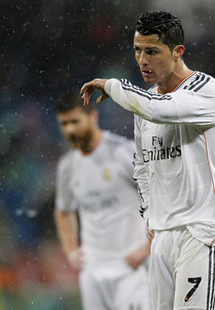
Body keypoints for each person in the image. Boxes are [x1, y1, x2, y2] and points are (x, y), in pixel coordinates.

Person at [80, 11, 215, 310]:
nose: (142, 60)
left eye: (152, 51)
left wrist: (112, 85)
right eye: (137, 50)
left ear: (178, 52)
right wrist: (151, 215)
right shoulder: (147, 102)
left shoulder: (206, 91)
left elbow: (156, 109)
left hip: (202, 234)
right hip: (163, 238)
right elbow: (142, 165)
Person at [54, 92, 151, 310]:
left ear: (93, 117)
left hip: (130, 268)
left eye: (75, 122)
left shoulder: (122, 152)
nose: (70, 129)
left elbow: (160, 198)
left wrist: (148, 248)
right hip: (92, 271)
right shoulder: (67, 166)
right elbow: (63, 211)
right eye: (64, 124)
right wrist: (70, 249)